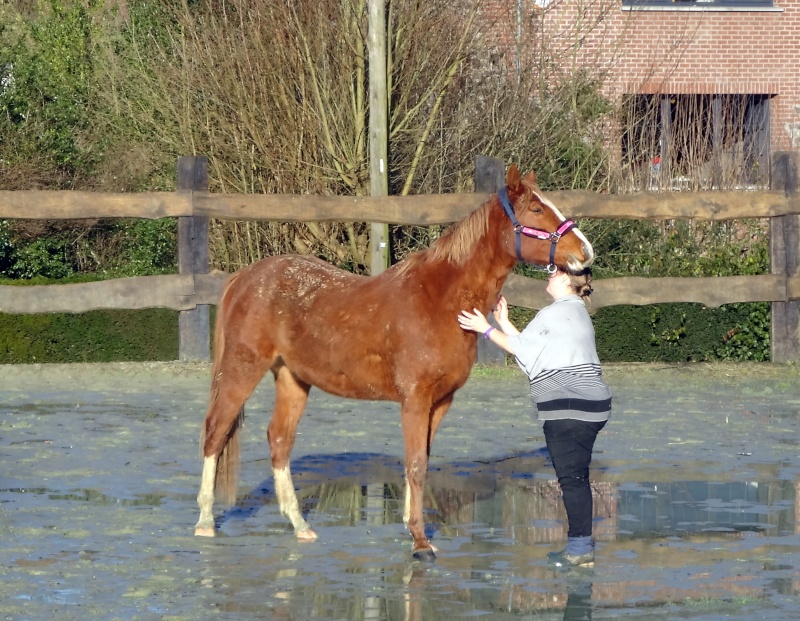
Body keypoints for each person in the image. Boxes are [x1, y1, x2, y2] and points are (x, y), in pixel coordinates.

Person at [457, 268, 611, 568]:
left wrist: (483, 327)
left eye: (555, 272)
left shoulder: (554, 313)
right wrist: (503, 321)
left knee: (573, 480)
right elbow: (531, 354)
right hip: (592, 406)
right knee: (577, 477)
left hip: (568, 407)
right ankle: (580, 546)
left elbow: (522, 350)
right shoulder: (574, 312)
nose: (549, 275)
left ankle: (580, 549)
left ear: (567, 280)